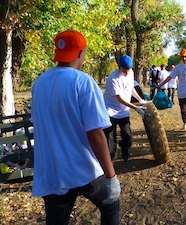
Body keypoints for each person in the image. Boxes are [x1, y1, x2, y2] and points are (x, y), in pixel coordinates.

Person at [31, 30, 121, 225]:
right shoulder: (83, 82)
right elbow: (95, 133)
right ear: (81, 53)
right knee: (111, 204)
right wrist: (111, 175)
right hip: (82, 169)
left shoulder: (39, 84)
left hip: (52, 170)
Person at [103, 55, 147, 162]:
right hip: (110, 111)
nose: (127, 72)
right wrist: (136, 108)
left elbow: (130, 87)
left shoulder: (130, 73)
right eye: (124, 70)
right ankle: (111, 161)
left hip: (124, 112)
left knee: (127, 136)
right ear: (119, 67)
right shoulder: (113, 79)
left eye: (128, 69)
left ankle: (125, 148)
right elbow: (120, 99)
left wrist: (140, 99)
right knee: (110, 137)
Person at [157, 49, 186, 131]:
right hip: (182, 91)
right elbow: (170, 77)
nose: (184, 59)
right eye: (182, 57)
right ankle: (185, 123)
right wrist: (161, 85)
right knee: (183, 109)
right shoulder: (178, 67)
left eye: (185, 57)